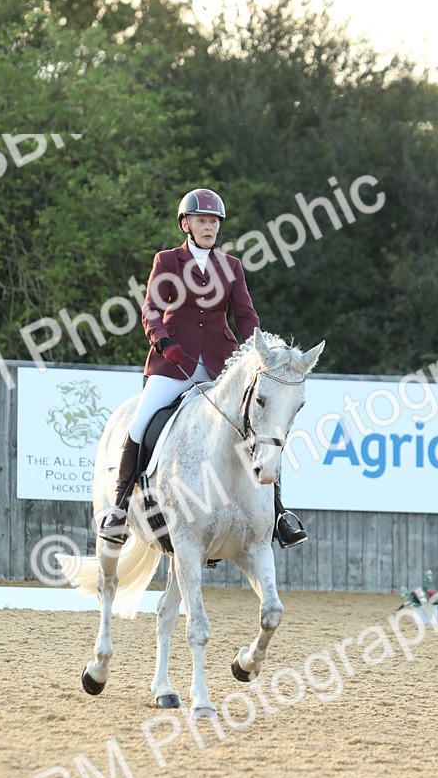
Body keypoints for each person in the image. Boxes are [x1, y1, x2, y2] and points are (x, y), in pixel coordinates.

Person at [98, 188, 308, 548]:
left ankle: (278, 513)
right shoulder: (166, 261)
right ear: (186, 224)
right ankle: (118, 510)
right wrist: (164, 344)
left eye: (213, 221)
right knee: (138, 424)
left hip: (219, 365)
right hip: (172, 363)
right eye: (201, 220)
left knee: (259, 428)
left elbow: (245, 314)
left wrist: (259, 349)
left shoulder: (231, 267)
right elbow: (151, 310)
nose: (209, 227)